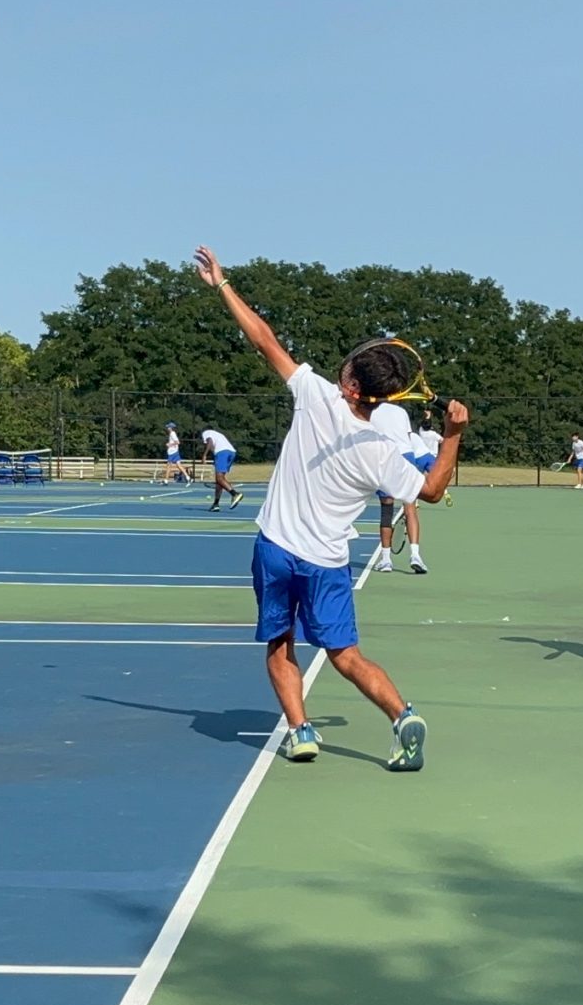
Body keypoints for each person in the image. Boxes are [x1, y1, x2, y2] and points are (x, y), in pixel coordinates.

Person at [193, 244, 468, 770]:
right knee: (345, 655)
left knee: (279, 641)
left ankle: (299, 731)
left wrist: (223, 285)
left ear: (351, 385)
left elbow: (263, 338)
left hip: (276, 549)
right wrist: (453, 434)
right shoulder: (380, 453)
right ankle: (401, 713)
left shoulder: (314, 395)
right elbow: (432, 491)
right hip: (327, 562)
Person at [371, 401, 430, 575]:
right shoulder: (401, 411)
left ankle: (386, 560)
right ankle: (415, 555)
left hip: (384, 456)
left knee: (386, 510)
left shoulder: (371, 410)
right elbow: (407, 436)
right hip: (406, 456)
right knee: (410, 507)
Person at [201, 427, 244, 511]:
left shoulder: (206, 433)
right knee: (220, 480)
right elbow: (214, 447)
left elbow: (210, 442)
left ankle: (235, 494)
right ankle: (216, 504)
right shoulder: (218, 434)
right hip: (231, 453)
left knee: (219, 478)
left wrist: (204, 455)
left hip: (222, 453)